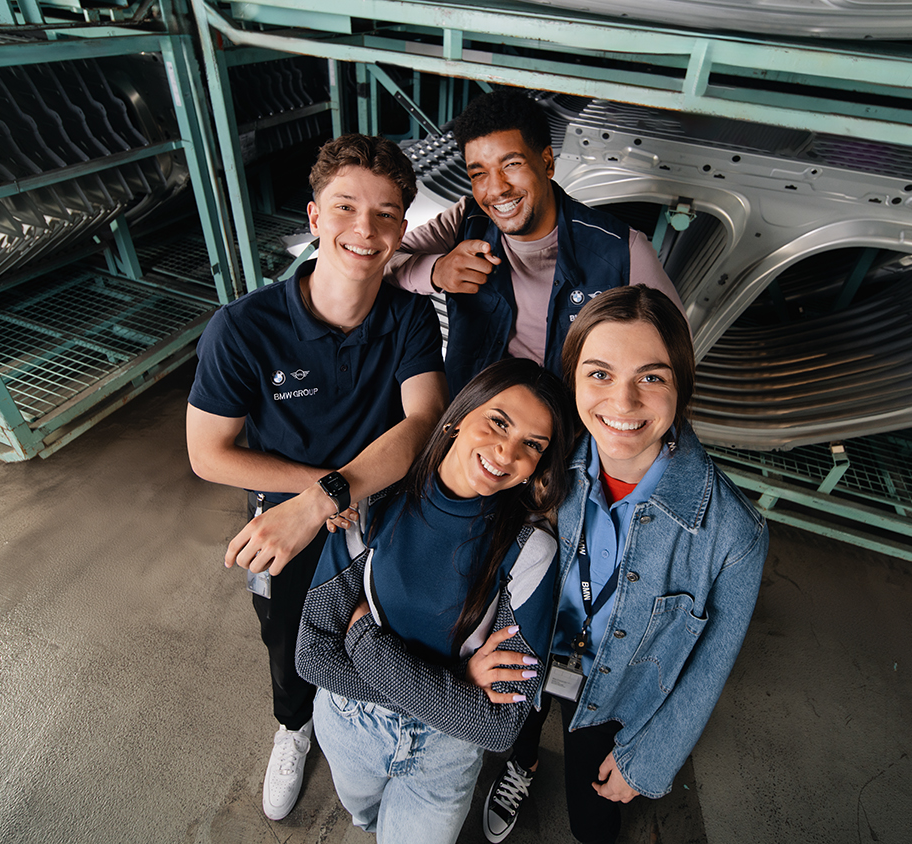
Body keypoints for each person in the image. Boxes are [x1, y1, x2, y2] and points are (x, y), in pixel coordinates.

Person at [185, 134, 448, 821]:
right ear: (314, 217)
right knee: (289, 639)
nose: (366, 229)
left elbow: (421, 426)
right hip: (293, 519)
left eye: (387, 214)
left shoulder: (411, 317)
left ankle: (365, 726)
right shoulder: (243, 329)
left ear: (403, 228)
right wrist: (313, 498)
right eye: (346, 208)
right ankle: (294, 726)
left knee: (385, 632)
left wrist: (336, 494)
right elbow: (209, 453)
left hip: (382, 515)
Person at [477, 285, 769, 844]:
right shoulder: (541, 460)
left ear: (681, 386)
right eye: (600, 374)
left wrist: (649, 760)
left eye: (652, 377)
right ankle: (524, 764)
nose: (623, 403)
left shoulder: (733, 535)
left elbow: (711, 666)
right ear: (573, 377)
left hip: (618, 694)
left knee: (594, 816)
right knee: (521, 728)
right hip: (528, 653)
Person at [295, 358, 576, 844]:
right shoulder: (373, 501)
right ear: (458, 417)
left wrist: (363, 642)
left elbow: (499, 726)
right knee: (364, 818)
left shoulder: (531, 552)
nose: (507, 453)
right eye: (498, 422)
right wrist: (457, 688)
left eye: (532, 445)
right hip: (348, 728)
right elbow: (312, 656)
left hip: (444, 755)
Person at [387, 88, 684, 395]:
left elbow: (675, 354)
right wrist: (436, 271)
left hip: (575, 426)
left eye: (511, 165)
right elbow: (381, 261)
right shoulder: (466, 220)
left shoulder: (624, 250)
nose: (497, 188)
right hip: (475, 413)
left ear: (546, 162)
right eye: (479, 173)